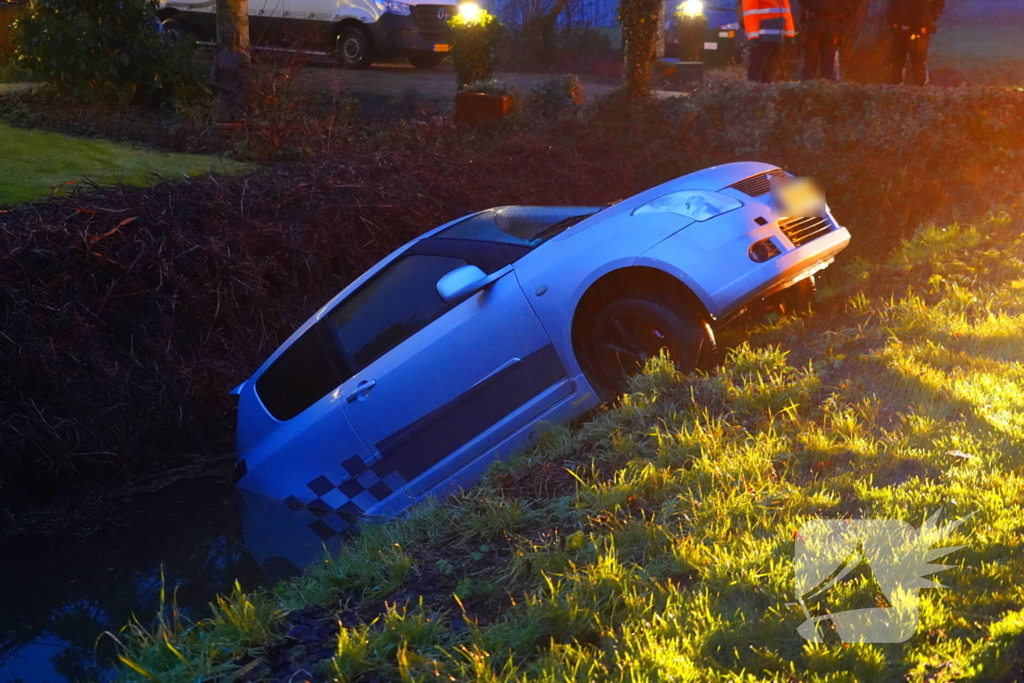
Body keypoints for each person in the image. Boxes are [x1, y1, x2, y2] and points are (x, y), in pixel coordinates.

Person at [888, 0, 945, 86]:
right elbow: (891, 6)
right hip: (900, 27)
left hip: (920, 28)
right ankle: (896, 86)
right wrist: (893, 22)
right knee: (898, 58)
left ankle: (920, 86)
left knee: (918, 58)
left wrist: (930, 17)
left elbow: (939, 4)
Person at [742, 0, 797, 83]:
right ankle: (753, 92)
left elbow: (786, 12)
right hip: (762, 37)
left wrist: (789, 34)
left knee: (770, 68)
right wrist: (753, 36)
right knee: (757, 68)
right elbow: (750, 13)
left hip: (776, 36)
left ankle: (765, 91)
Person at [800, 0, 851, 81]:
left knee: (810, 56)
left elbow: (803, 2)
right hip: (833, 23)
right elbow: (849, 5)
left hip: (815, 22)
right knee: (829, 58)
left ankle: (807, 84)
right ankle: (827, 83)